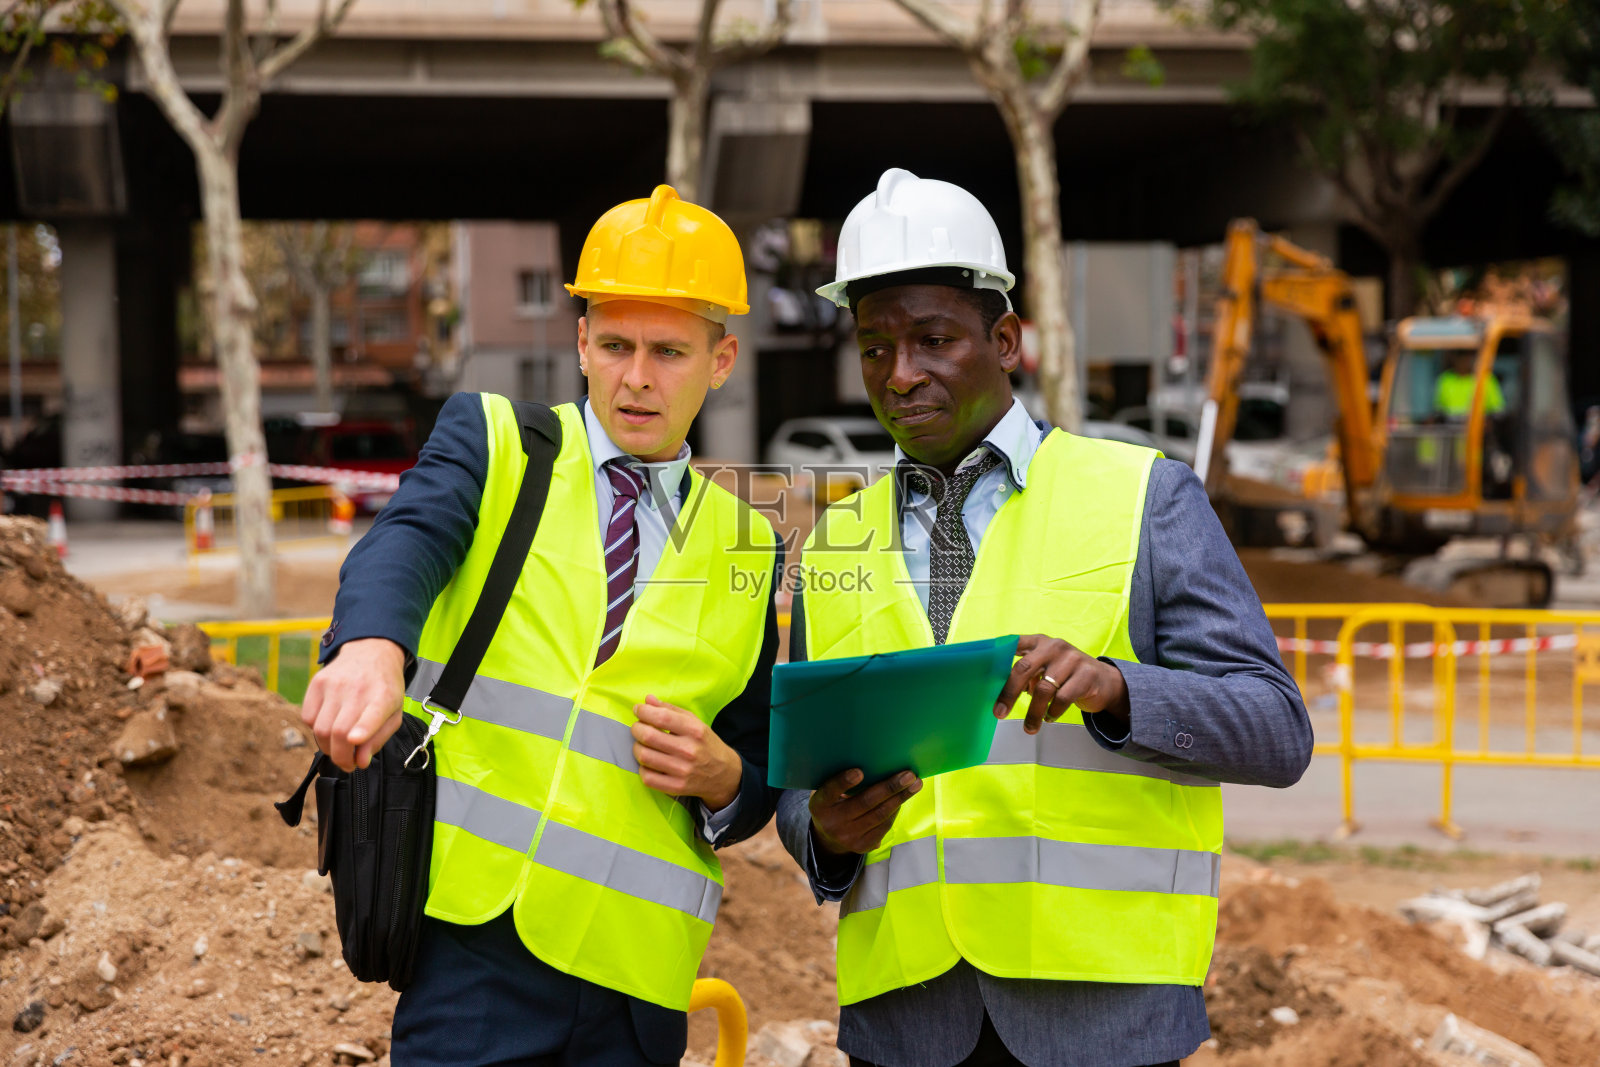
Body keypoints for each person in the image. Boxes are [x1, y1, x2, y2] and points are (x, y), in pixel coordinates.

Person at [777, 169, 1314, 1067]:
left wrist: (1116, 691)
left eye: (933, 339)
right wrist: (825, 834)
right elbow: (801, 784)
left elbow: (1276, 729)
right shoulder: (836, 542)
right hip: (905, 1024)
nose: (900, 374)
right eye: (874, 348)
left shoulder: (1144, 496)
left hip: (1103, 1019)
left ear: (1006, 339)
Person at [301, 185, 782, 1066]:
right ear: (582, 342)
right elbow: (408, 539)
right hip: (474, 953)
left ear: (721, 361)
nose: (637, 377)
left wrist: (724, 780)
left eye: (670, 351)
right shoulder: (498, 445)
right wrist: (372, 645)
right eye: (617, 345)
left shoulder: (750, 542)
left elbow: (756, 770)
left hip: (637, 983)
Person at [1434, 348, 1503, 419]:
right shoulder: (1445, 379)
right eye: (1461, 357)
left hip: (1479, 423)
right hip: (1451, 423)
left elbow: (1497, 410)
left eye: (1469, 357)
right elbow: (1439, 408)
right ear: (1454, 359)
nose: (1465, 362)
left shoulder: (1486, 378)